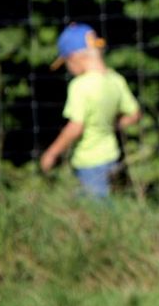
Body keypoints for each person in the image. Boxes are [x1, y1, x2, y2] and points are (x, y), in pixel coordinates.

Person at [40, 23, 142, 198]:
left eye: (67, 63)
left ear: (74, 57)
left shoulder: (80, 86)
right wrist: (111, 124)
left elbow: (76, 127)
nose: (69, 69)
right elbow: (135, 114)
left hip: (89, 161)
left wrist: (52, 153)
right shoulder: (115, 79)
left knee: (99, 211)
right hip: (112, 156)